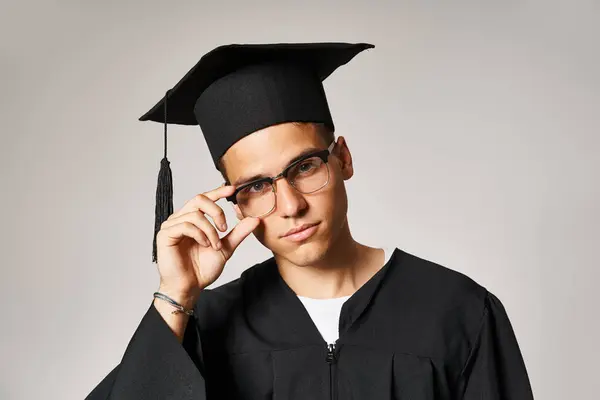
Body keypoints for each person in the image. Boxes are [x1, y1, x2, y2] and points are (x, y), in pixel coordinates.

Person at [85, 42, 534, 399]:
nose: (290, 205)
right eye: (256, 187)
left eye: (304, 168)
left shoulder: (458, 311)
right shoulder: (206, 326)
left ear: (342, 158)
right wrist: (176, 297)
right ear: (235, 204)